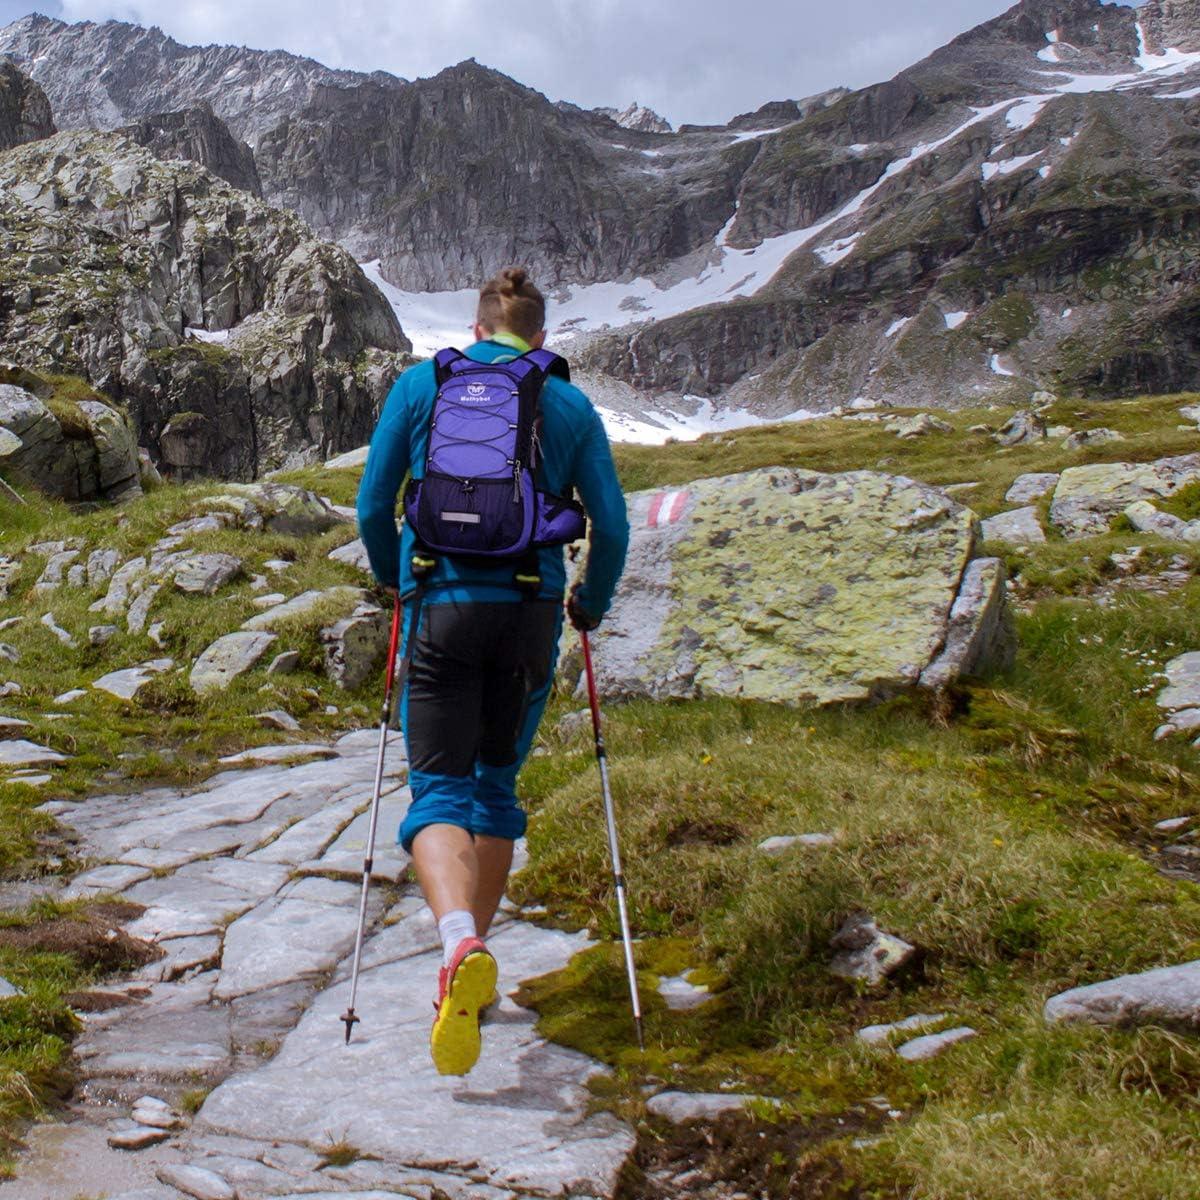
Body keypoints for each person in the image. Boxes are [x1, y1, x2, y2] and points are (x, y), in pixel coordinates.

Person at [356, 266, 629, 1076]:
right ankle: (470, 973)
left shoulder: (422, 385)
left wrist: (392, 574)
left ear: (475, 331)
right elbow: (609, 525)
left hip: (439, 603)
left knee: (437, 789)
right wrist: (592, 603)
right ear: (540, 340)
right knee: (494, 788)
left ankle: (457, 945)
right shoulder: (568, 402)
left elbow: (375, 503)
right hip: (531, 611)